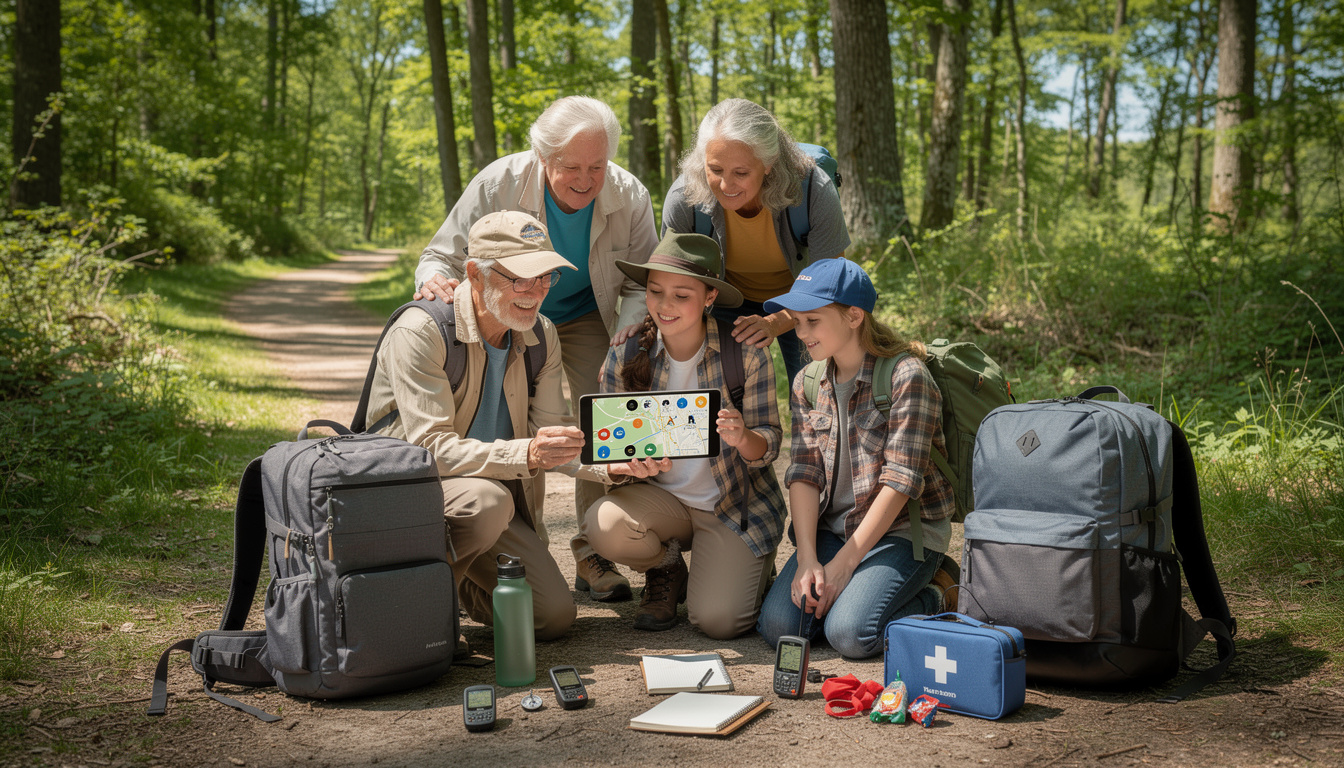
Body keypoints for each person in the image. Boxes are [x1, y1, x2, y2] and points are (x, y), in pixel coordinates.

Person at [366, 211, 666, 640]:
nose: (535, 292)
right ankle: (415, 611)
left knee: (552, 617)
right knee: (487, 502)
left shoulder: (541, 335)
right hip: (411, 497)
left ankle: (462, 578)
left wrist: (614, 466)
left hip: (492, 499)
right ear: (475, 273)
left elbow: (552, 433)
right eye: (519, 279)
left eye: (545, 277)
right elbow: (429, 449)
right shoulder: (421, 331)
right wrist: (524, 453)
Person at [415, 96, 659, 603]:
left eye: (597, 165)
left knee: (605, 412)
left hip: (592, 311)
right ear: (542, 158)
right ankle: (527, 547)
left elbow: (643, 278)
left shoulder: (629, 193)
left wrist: (631, 325)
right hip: (516, 311)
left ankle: (592, 551)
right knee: (529, 422)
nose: (586, 179)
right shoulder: (497, 182)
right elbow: (440, 253)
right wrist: (434, 280)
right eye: (571, 166)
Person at [581, 232, 786, 639]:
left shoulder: (743, 352)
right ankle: (666, 566)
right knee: (602, 525)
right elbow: (598, 451)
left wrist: (743, 436)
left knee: (719, 623)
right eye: (655, 292)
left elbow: (770, 441)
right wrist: (623, 466)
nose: (665, 306)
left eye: (681, 295)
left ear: (710, 297)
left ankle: (751, 566)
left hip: (729, 506)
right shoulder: (624, 353)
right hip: (662, 503)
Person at [755, 258, 953, 659]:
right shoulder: (807, 382)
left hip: (900, 531)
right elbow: (804, 472)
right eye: (797, 321)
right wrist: (810, 559)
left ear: (854, 316)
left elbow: (901, 482)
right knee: (780, 627)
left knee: (850, 634)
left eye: (812, 320)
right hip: (835, 528)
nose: (801, 333)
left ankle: (940, 591)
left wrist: (843, 567)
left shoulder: (906, 376)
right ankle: (849, 586)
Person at [662, 98, 850, 385]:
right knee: (719, 395)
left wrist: (776, 322)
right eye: (715, 169)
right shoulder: (684, 199)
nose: (726, 185)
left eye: (741, 173)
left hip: (803, 297)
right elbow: (672, 284)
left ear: (769, 164)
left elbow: (830, 282)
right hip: (725, 297)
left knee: (817, 388)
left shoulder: (814, 189)